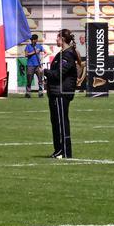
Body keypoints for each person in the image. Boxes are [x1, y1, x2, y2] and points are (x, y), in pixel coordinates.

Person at [45, 28, 80, 159]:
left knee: (61, 122)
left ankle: (65, 151)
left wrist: (45, 72)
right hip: (56, 92)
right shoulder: (62, 54)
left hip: (61, 92)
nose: (56, 39)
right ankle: (58, 149)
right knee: (56, 122)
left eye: (58, 37)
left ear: (63, 39)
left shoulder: (67, 54)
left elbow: (59, 74)